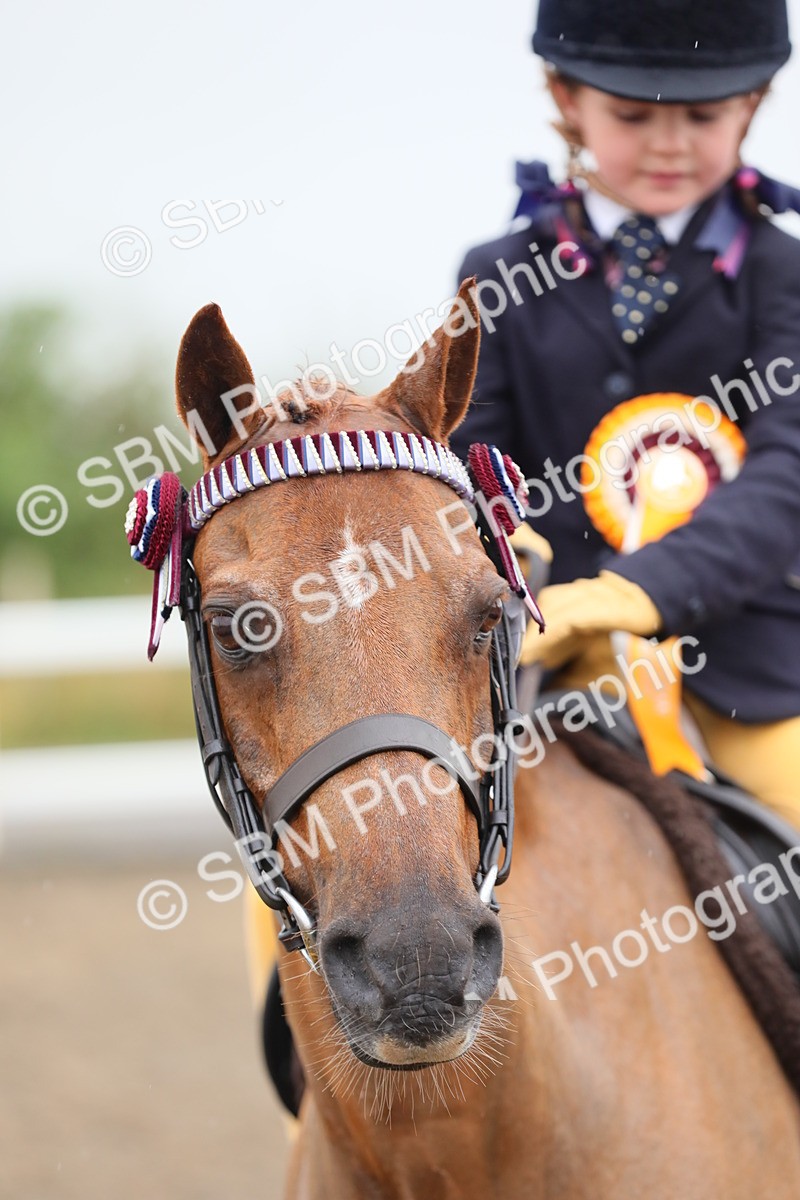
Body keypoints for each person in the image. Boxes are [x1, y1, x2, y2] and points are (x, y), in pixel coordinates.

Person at [449, 0, 800, 827]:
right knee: (323, 840)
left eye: (704, 115)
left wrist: (639, 592)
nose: (670, 143)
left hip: (744, 661)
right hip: (542, 653)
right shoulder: (493, 273)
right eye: (632, 115)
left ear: (752, 103)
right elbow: (473, 462)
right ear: (567, 98)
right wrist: (511, 551)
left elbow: (789, 472)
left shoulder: (784, 275)